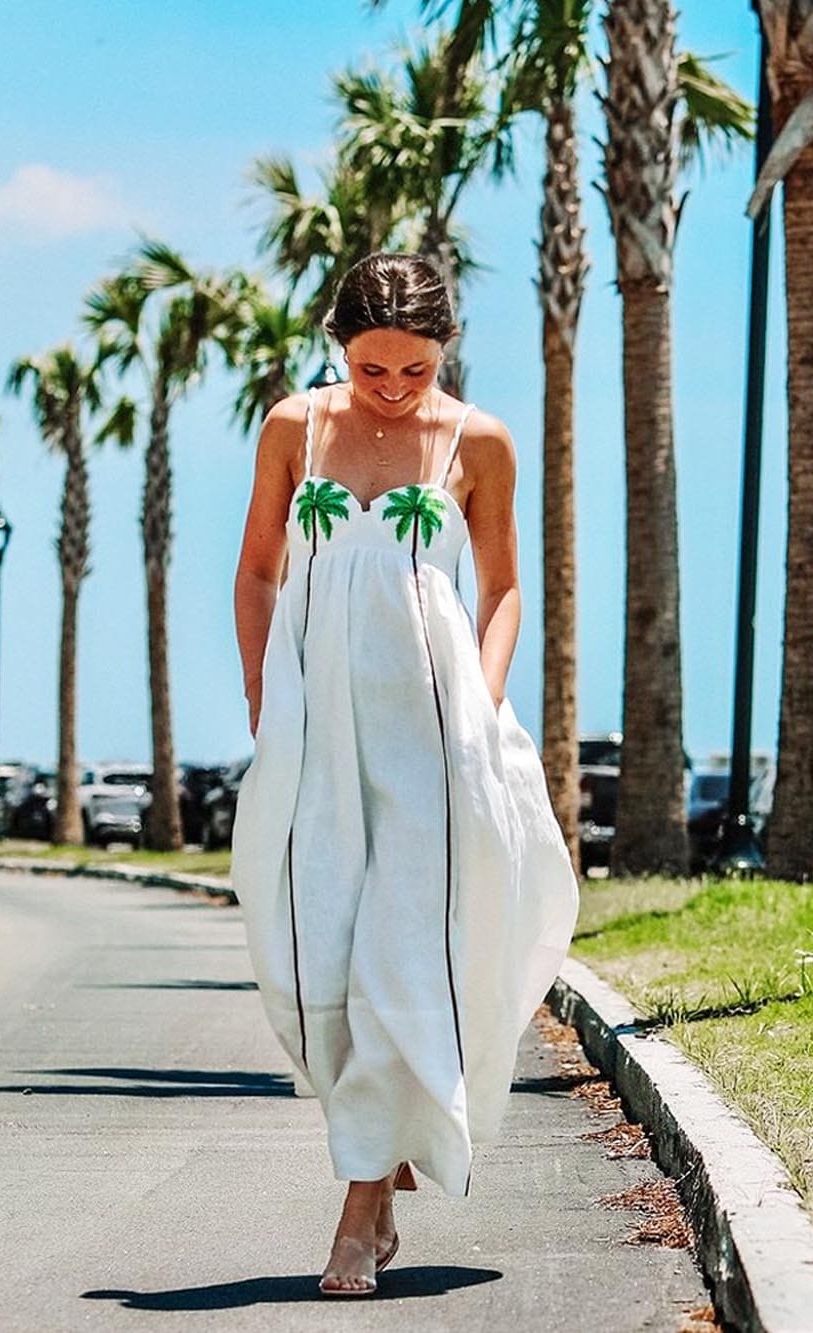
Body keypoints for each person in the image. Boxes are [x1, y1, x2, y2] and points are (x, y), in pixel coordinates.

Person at [231, 252, 579, 1296]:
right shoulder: (294, 427)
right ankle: (381, 1179)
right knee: (316, 957)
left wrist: (481, 701)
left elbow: (506, 586)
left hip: (432, 740)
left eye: (414, 370)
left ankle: (353, 1213)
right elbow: (256, 570)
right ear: (338, 345)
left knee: (397, 958)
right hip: (317, 733)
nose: (391, 388)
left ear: (445, 351)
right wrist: (263, 698)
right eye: (372, 367)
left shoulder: (478, 441)